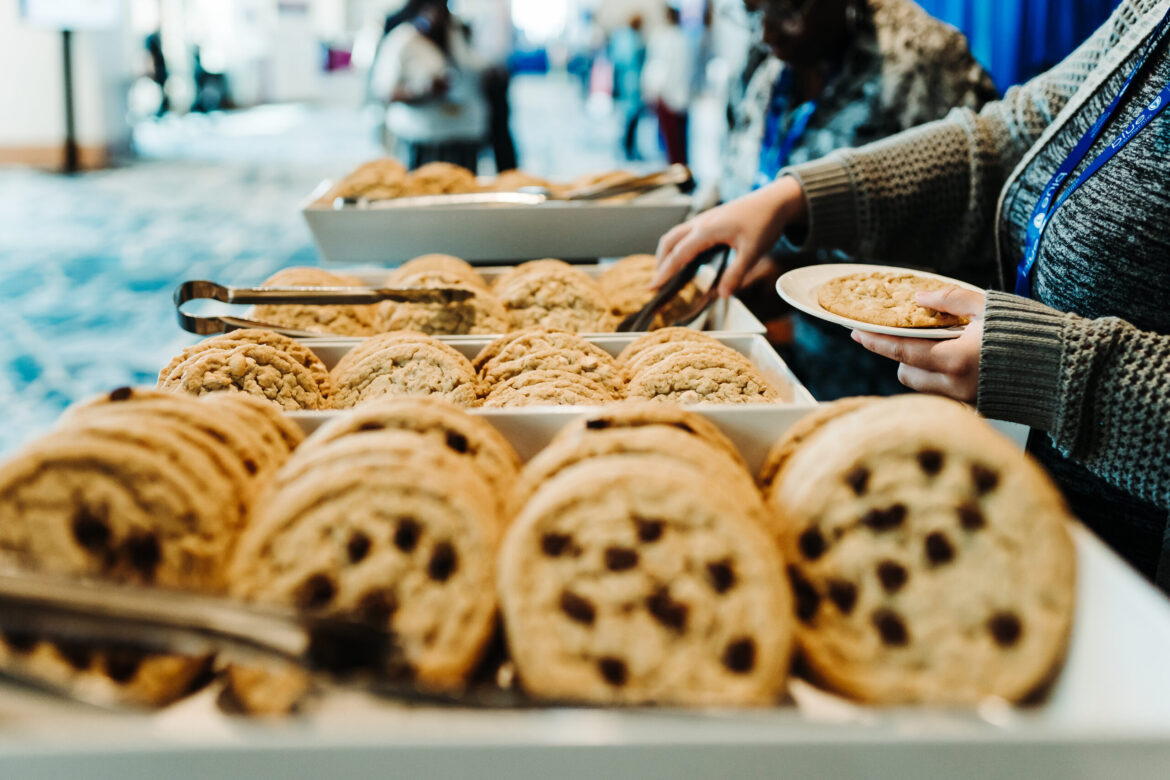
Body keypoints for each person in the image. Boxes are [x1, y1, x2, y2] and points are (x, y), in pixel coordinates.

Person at [655, 0, 1170, 590]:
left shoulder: (917, 58)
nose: (766, 28)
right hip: (1038, 504)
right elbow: (1011, 135)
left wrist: (1055, 371)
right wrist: (796, 197)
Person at [720, 0, 998, 399]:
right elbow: (738, 167)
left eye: (788, 11)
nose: (765, 33)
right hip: (795, 356)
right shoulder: (763, 57)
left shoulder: (922, 59)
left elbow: (966, 221)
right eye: (750, 10)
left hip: (894, 379)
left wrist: (799, 265)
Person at [369, 0, 487, 171]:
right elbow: (384, 92)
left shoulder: (457, 35)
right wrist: (422, 90)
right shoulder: (402, 40)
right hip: (423, 142)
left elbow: (475, 68)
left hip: (463, 137)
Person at [644, 7, 695, 165]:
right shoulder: (684, 39)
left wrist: (654, 92)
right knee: (680, 141)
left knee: (672, 144)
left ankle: (678, 175)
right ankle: (682, 174)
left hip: (668, 96)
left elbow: (658, 69)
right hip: (680, 96)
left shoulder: (664, 39)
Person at [610, 15, 648, 161]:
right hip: (630, 84)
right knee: (630, 118)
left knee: (632, 118)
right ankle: (627, 147)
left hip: (630, 83)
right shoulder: (630, 39)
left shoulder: (626, 38)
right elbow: (622, 62)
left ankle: (629, 147)